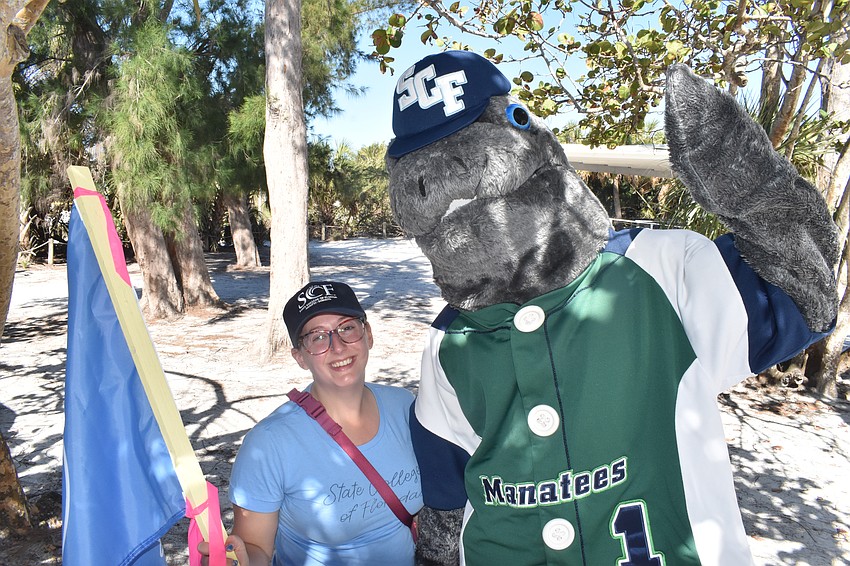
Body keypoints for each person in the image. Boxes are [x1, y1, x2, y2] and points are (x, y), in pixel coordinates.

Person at [199, 281, 423, 566]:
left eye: (347, 328)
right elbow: (255, 548)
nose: (338, 347)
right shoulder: (270, 443)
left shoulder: (404, 405)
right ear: (300, 357)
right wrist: (236, 560)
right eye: (318, 337)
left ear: (367, 334)